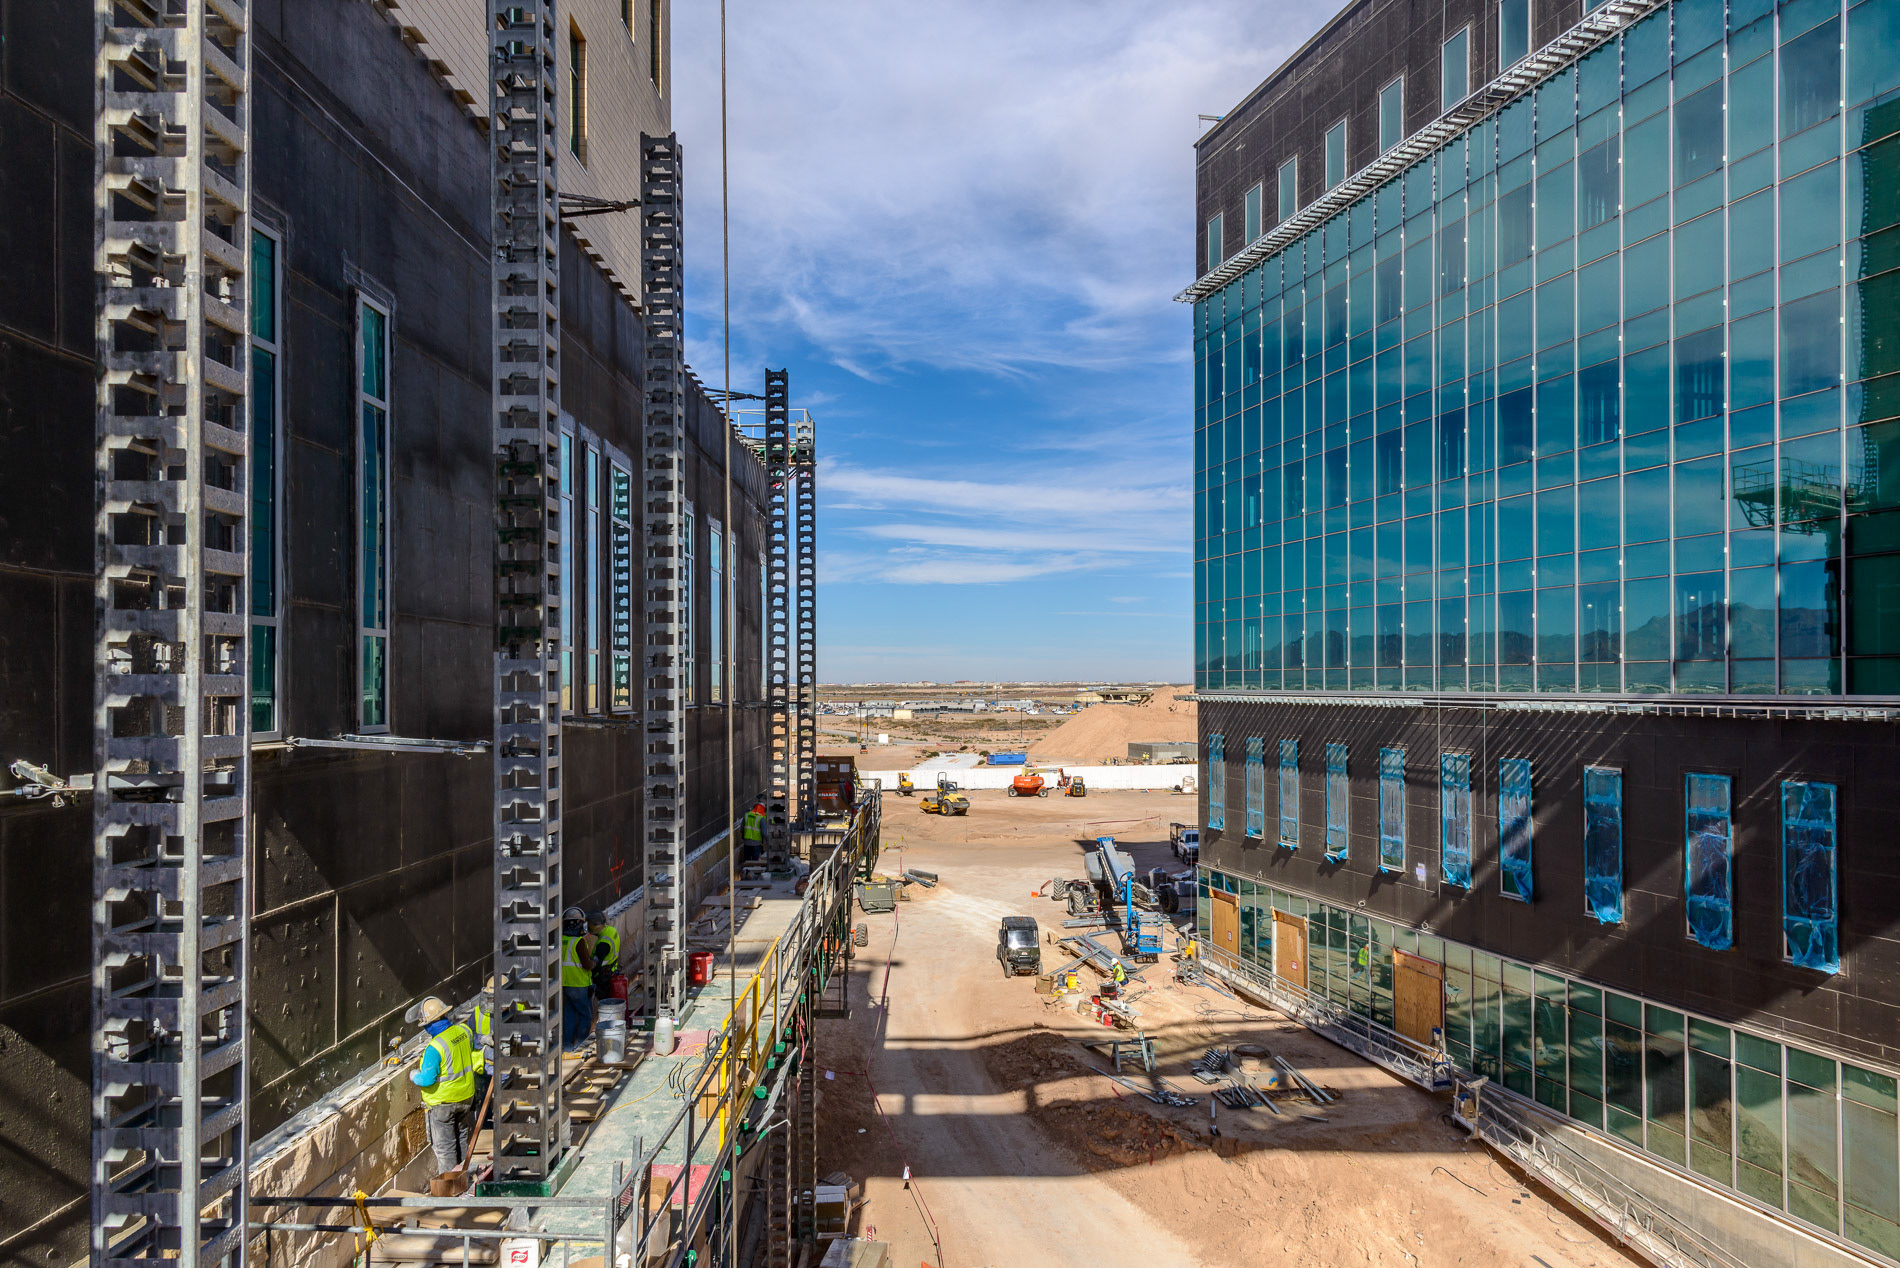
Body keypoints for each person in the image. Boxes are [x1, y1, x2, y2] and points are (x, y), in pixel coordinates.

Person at [406, 996, 482, 1180]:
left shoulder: (435, 1047)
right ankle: (466, 1182)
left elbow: (426, 1080)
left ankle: (450, 1189)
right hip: (466, 1098)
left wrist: (413, 1074)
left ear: (428, 1024)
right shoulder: (464, 1031)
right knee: (463, 1140)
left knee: (446, 1149)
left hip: (443, 1105)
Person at [559, 909, 594, 1050]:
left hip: (564, 984)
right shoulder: (579, 942)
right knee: (586, 1016)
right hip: (579, 985)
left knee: (569, 1016)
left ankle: (566, 1048)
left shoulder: (560, 940)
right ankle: (581, 1047)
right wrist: (595, 962)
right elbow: (587, 965)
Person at [587, 910, 621, 995]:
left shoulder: (603, 944)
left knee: (604, 1002)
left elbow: (597, 965)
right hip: (612, 969)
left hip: (604, 977)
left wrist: (591, 975)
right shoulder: (611, 930)